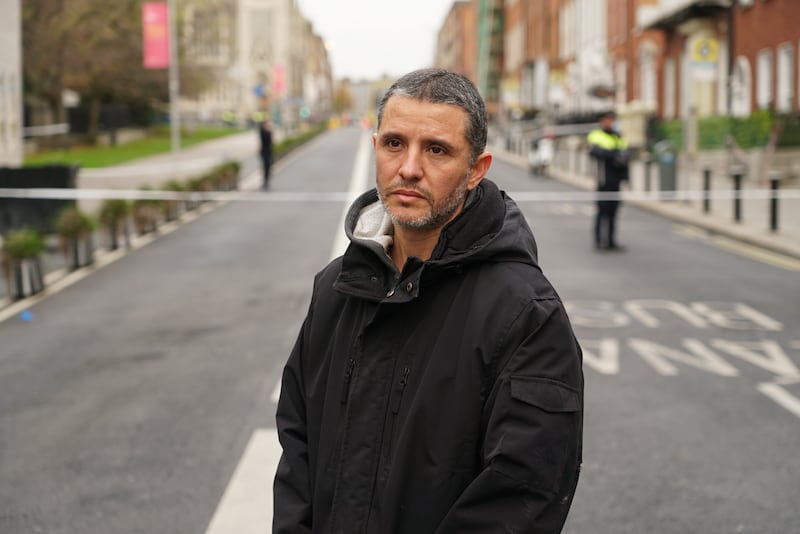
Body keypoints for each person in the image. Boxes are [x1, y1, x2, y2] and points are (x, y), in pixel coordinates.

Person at [273, 68, 584, 534]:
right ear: (376, 146)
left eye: (436, 149)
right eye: (395, 143)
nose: (410, 168)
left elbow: (521, 497)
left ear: (476, 170)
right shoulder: (335, 288)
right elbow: (297, 451)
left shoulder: (526, 314)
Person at [587, 110, 630, 251]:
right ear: (602, 120)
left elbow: (626, 154)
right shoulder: (596, 135)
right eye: (608, 119)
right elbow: (595, 152)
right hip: (603, 180)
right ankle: (599, 241)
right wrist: (614, 154)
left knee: (613, 212)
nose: (611, 122)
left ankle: (611, 241)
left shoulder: (618, 136)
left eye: (613, 119)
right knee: (602, 211)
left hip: (616, 180)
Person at [259, 119, 273, 190]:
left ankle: (267, 181)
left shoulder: (269, 131)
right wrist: (268, 130)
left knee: (268, 168)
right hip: (264, 152)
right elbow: (265, 139)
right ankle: (265, 182)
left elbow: (271, 141)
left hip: (269, 152)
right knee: (265, 168)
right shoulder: (263, 131)